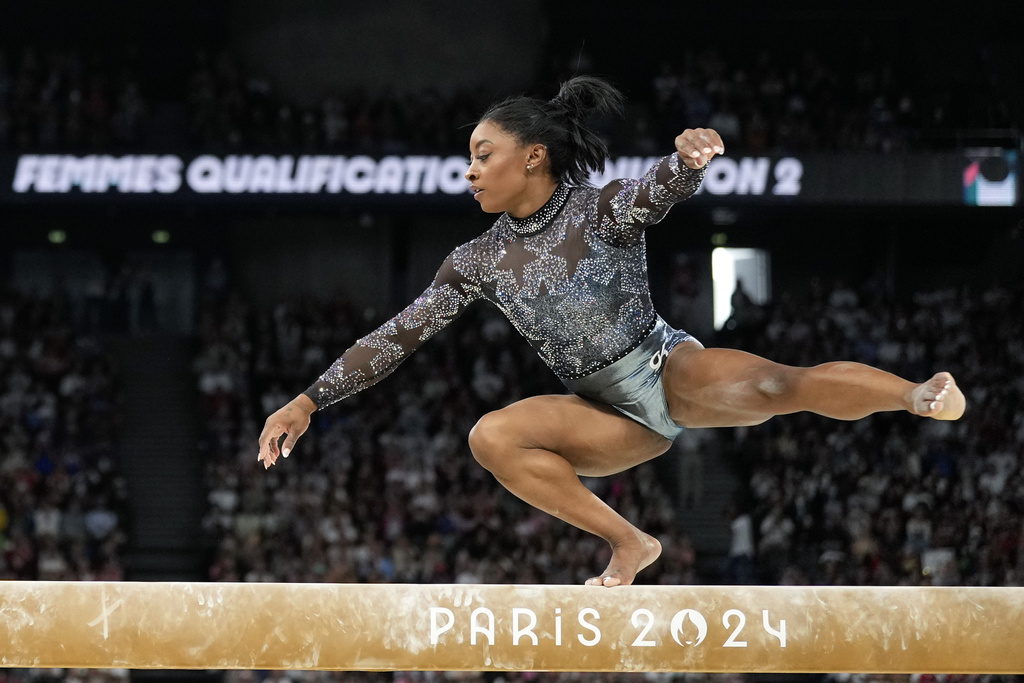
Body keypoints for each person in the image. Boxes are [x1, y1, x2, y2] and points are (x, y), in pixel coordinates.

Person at [258, 76, 965, 587]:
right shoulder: (476, 260)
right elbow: (397, 335)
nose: (469, 170)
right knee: (490, 435)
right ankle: (630, 542)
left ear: (533, 155)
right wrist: (309, 399)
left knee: (781, 384)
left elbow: (651, 192)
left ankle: (915, 396)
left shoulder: (598, 211)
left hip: (663, 367)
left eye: (483, 154)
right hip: (602, 414)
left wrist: (683, 164)